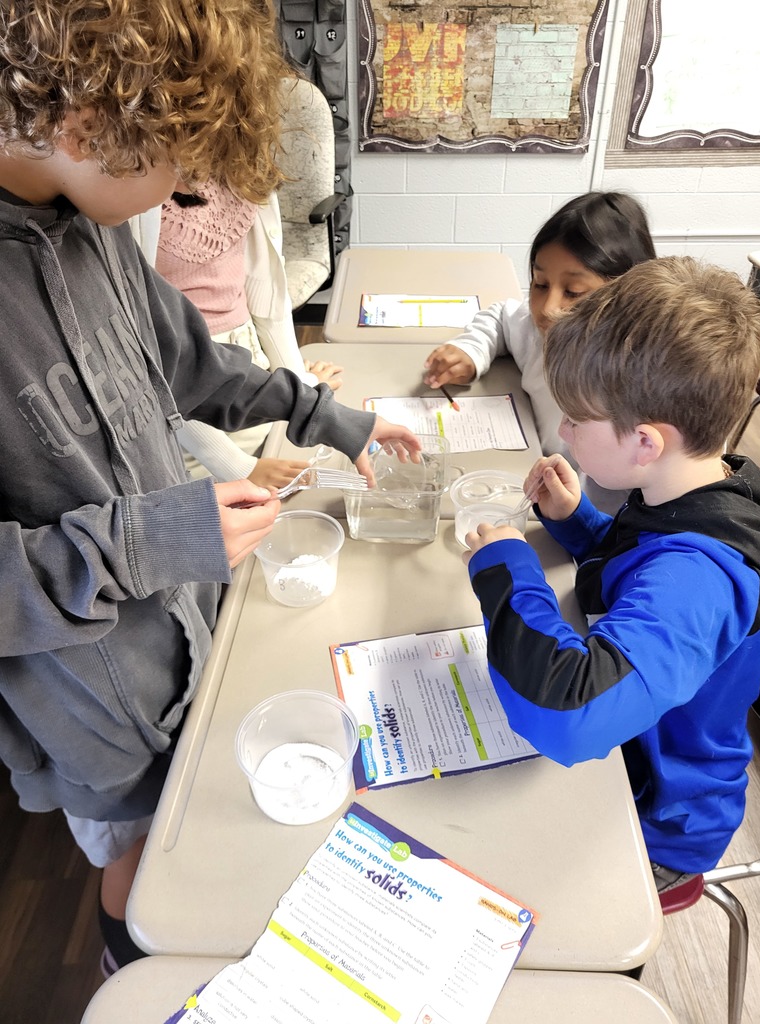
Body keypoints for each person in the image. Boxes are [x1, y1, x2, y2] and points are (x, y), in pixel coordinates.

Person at [0, 0, 418, 974]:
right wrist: (144, 542)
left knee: (209, 841)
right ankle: (130, 976)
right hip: (94, 703)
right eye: (176, 168)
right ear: (84, 124)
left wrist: (328, 417)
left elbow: (187, 361)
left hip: (194, 632)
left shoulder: (90, 222)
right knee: (147, 870)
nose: (186, 187)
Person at [463, 256, 760, 893]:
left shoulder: (702, 578)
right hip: (625, 760)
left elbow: (568, 709)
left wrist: (508, 572)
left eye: (576, 419)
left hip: (653, 821)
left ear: (645, 442)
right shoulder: (694, 489)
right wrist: (578, 522)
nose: (564, 430)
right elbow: (641, 566)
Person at [423, 192, 657, 512]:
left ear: (628, 296)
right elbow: (501, 317)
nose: (548, 308)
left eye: (573, 292)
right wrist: (471, 350)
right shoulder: (538, 331)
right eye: (540, 283)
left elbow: (620, 504)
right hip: (535, 485)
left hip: (591, 522)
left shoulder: (639, 386)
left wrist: (570, 514)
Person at [148, 181, 344, 488]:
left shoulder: (242, 171)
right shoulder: (138, 191)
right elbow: (144, 353)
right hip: (181, 419)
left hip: (247, 374)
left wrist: (300, 391)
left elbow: (267, 295)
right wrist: (237, 465)